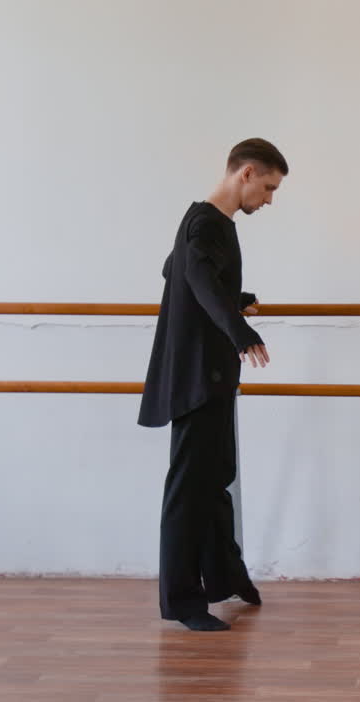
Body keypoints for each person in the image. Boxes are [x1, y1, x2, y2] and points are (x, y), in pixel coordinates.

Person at [137, 138, 287, 631]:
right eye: (267, 187)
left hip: (213, 375)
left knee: (216, 479)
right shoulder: (205, 222)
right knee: (189, 489)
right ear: (245, 173)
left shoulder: (208, 223)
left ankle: (225, 575)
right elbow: (194, 277)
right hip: (198, 376)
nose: (268, 200)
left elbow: (174, 270)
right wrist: (239, 329)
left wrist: (232, 297)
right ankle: (181, 601)